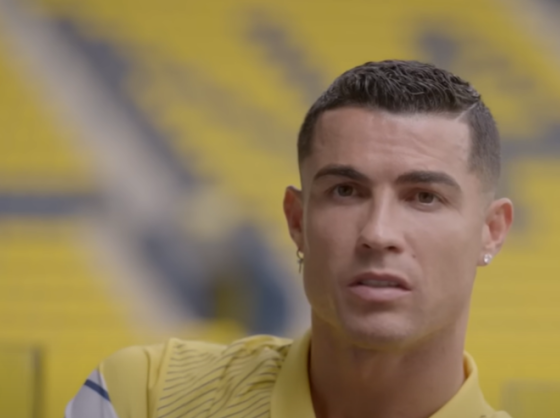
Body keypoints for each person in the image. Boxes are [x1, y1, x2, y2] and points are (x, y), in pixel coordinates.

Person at [65, 59, 514, 418]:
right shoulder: (143, 396)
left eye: (424, 197)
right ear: (297, 221)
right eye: (346, 191)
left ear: (490, 231)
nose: (378, 233)